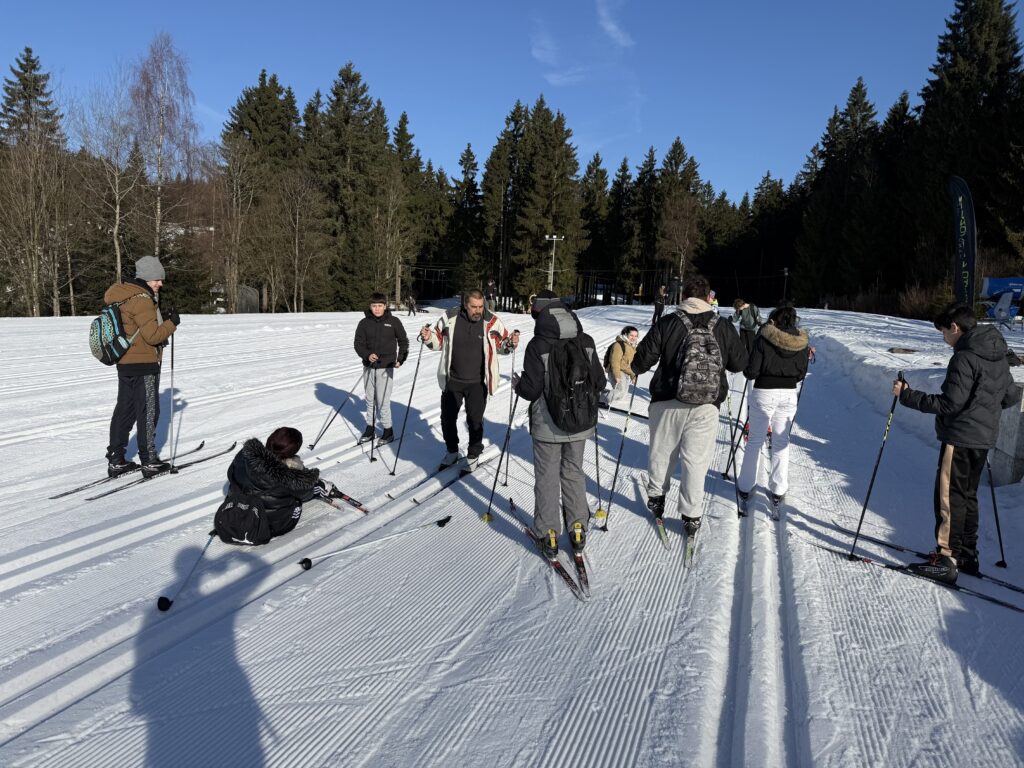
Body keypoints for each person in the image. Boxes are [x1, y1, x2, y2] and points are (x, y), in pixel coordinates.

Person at [892, 303, 1021, 584]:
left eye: (943, 331)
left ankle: (947, 558)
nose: (943, 337)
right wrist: (984, 407)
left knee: (949, 497)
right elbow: (1011, 396)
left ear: (954, 327)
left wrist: (907, 395)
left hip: (961, 436)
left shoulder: (964, 357)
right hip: (983, 438)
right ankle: (965, 555)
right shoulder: (997, 354)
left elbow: (949, 404)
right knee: (967, 496)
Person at [632, 274, 748, 534]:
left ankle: (657, 498)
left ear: (683, 296)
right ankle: (691, 515)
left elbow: (641, 362)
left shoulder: (667, 322)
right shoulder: (723, 326)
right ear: (709, 298)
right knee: (696, 461)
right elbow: (739, 364)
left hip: (667, 401)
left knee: (662, 453)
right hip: (707, 405)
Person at [513, 290, 606, 556]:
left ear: (540, 314)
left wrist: (518, 385)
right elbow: (600, 382)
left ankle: (549, 534)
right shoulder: (585, 341)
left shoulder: (538, 344)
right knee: (573, 472)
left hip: (547, 425)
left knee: (547, 476)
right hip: (580, 421)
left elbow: (531, 390)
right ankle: (577, 529)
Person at [420, 289, 519, 471]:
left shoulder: (492, 321)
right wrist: (428, 338)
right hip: (453, 380)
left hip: (478, 383)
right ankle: (452, 451)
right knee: (447, 419)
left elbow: (502, 345)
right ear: (465, 305)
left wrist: (511, 343)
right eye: (474, 307)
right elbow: (438, 341)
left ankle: (473, 455)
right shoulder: (449, 317)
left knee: (475, 421)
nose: (478, 310)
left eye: (481, 306)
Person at [105, 256, 180, 478]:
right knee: (148, 411)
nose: (160, 284)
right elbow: (152, 336)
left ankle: (116, 459)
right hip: (144, 364)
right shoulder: (142, 300)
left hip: (125, 361)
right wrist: (172, 323)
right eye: (157, 279)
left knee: (125, 411)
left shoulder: (122, 295)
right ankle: (149, 461)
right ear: (146, 278)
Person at [735, 306, 809, 513]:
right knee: (781, 441)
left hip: (764, 392)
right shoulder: (801, 342)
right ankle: (778, 489)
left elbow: (751, 371)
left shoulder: (764, 338)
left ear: (773, 320)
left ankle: (745, 486)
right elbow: (801, 373)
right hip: (788, 393)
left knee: (755, 440)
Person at [224, 427, 335, 541]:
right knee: (298, 498)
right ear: (292, 452)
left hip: (234, 510)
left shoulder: (245, 453)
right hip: (267, 525)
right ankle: (324, 488)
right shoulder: (290, 477)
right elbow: (307, 493)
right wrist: (319, 485)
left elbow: (230, 473)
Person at [354, 293, 409, 446]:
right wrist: (367, 355)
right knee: (370, 399)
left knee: (383, 401)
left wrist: (400, 359)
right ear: (370, 307)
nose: (377, 309)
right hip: (369, 366)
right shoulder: (364, 323)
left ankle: (388, 430)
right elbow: (358, 344)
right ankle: (370, 428)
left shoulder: (394, 321)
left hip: (386, 367)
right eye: (374, 306)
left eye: (380, 306)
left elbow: (403, 342)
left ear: (385, 306)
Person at [603, 325, 639, 406]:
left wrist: (633, 376)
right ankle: (600, 398)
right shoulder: (618, 345)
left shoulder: (632, 347)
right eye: (631, 335)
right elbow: (614, 361)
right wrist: (617, 375)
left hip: (626, 372)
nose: (634, 338)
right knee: (620, 391)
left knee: (623, 394)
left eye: (636, 336)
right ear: (625, 334)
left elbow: (631, 363)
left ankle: (600, 393)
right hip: (617, 370)